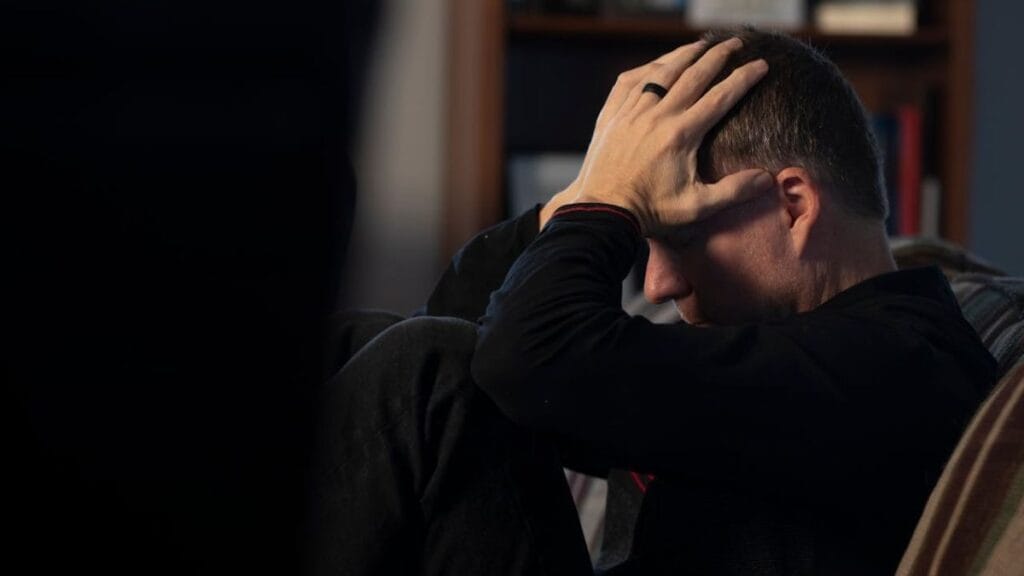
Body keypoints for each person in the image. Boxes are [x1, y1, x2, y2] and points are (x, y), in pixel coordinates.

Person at [315, 30, 996, 575]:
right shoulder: (796, 349)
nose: (660, 285)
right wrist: (587, 190)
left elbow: (515, 358)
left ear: (792, 205)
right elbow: (470, 342)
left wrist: (607, 204)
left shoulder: (897, 366)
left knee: (426, 369)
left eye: (679, 236)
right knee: (357, 344)